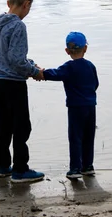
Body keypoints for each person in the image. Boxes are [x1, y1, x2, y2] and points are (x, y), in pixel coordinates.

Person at [0, 0, 45, 183]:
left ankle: (3, 165)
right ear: (26, 4)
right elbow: (16, 59)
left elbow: (8, 56)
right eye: (28, 9)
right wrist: (34, 71)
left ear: (8, 3)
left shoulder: (0, 24)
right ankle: (20, 169)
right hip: (14, 82)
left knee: (3, 124)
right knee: (22, 125)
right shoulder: (19, 26)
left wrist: (30, 64)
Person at [39, 32, 99, 180]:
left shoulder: (68, 67)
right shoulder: (90, 66)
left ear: (67, 51)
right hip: (91, 106)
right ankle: (88, 166)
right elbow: (96, 84)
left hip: (75, 107)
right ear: (85, 48)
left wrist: (40, 73)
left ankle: (75, 169)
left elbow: (55, 74)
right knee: (88, 136)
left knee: (75, 137)